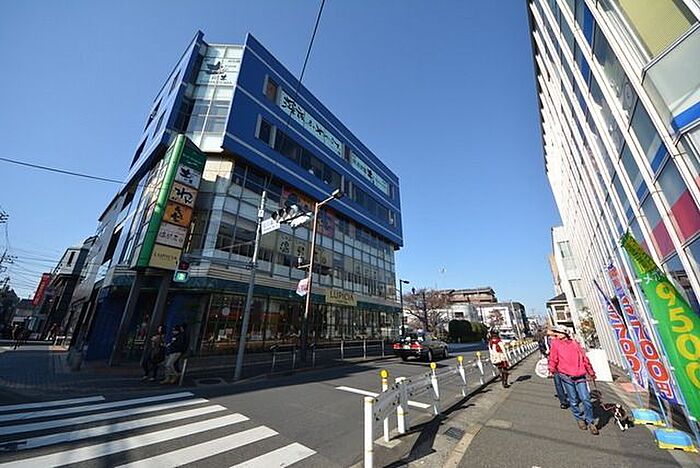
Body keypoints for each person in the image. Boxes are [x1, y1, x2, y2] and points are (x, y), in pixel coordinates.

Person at [548, 325, 599, 435]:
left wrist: (591, 372)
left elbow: (584, 358)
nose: (556, 334)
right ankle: (579, 418)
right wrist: (551, 369)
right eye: (556, 332)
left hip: (580, 375)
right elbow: (553, 358)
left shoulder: (575, 343)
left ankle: (590, 422)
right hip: (565, 375)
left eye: (558, 332)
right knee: (573, 400)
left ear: (565, 333)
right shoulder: (555, 343)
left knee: (586, 399)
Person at [543, 328, 569, 410]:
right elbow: (542, 347)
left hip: (564, 362)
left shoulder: (559, 338)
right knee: (558, 382)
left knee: (568, 381)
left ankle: (573, 398)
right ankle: (563, 401)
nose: (547, 332)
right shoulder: (545, 339)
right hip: (553, 363)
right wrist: (546, 353)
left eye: (549, 330)